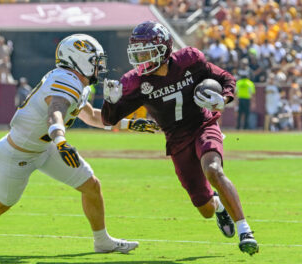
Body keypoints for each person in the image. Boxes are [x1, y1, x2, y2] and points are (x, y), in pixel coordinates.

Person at [0, 34, 159, 253]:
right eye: (94, 61)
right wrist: (61, 141)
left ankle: (102, 241)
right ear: (77, 60)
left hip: (46, 148)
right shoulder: (65, 81)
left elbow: (91, 117)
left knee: (91, 185)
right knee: (0, 205)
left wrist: (130, 124)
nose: (99, 67)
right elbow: (55, 112)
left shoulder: (76, 83)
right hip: (18, 155)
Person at [101, 21, 259, 255]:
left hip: (202, 124)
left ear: (163, 50)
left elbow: (226, 78)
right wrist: (110, 101)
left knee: (214, 170)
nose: (141, 59)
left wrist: (222, 100)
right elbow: (108, 120)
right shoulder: (136, 81)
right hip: (176, 141)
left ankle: (245, 230)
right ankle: (218, 206)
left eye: (146, 52)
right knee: (204, 208)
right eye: (138, 53)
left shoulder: (189, 60)